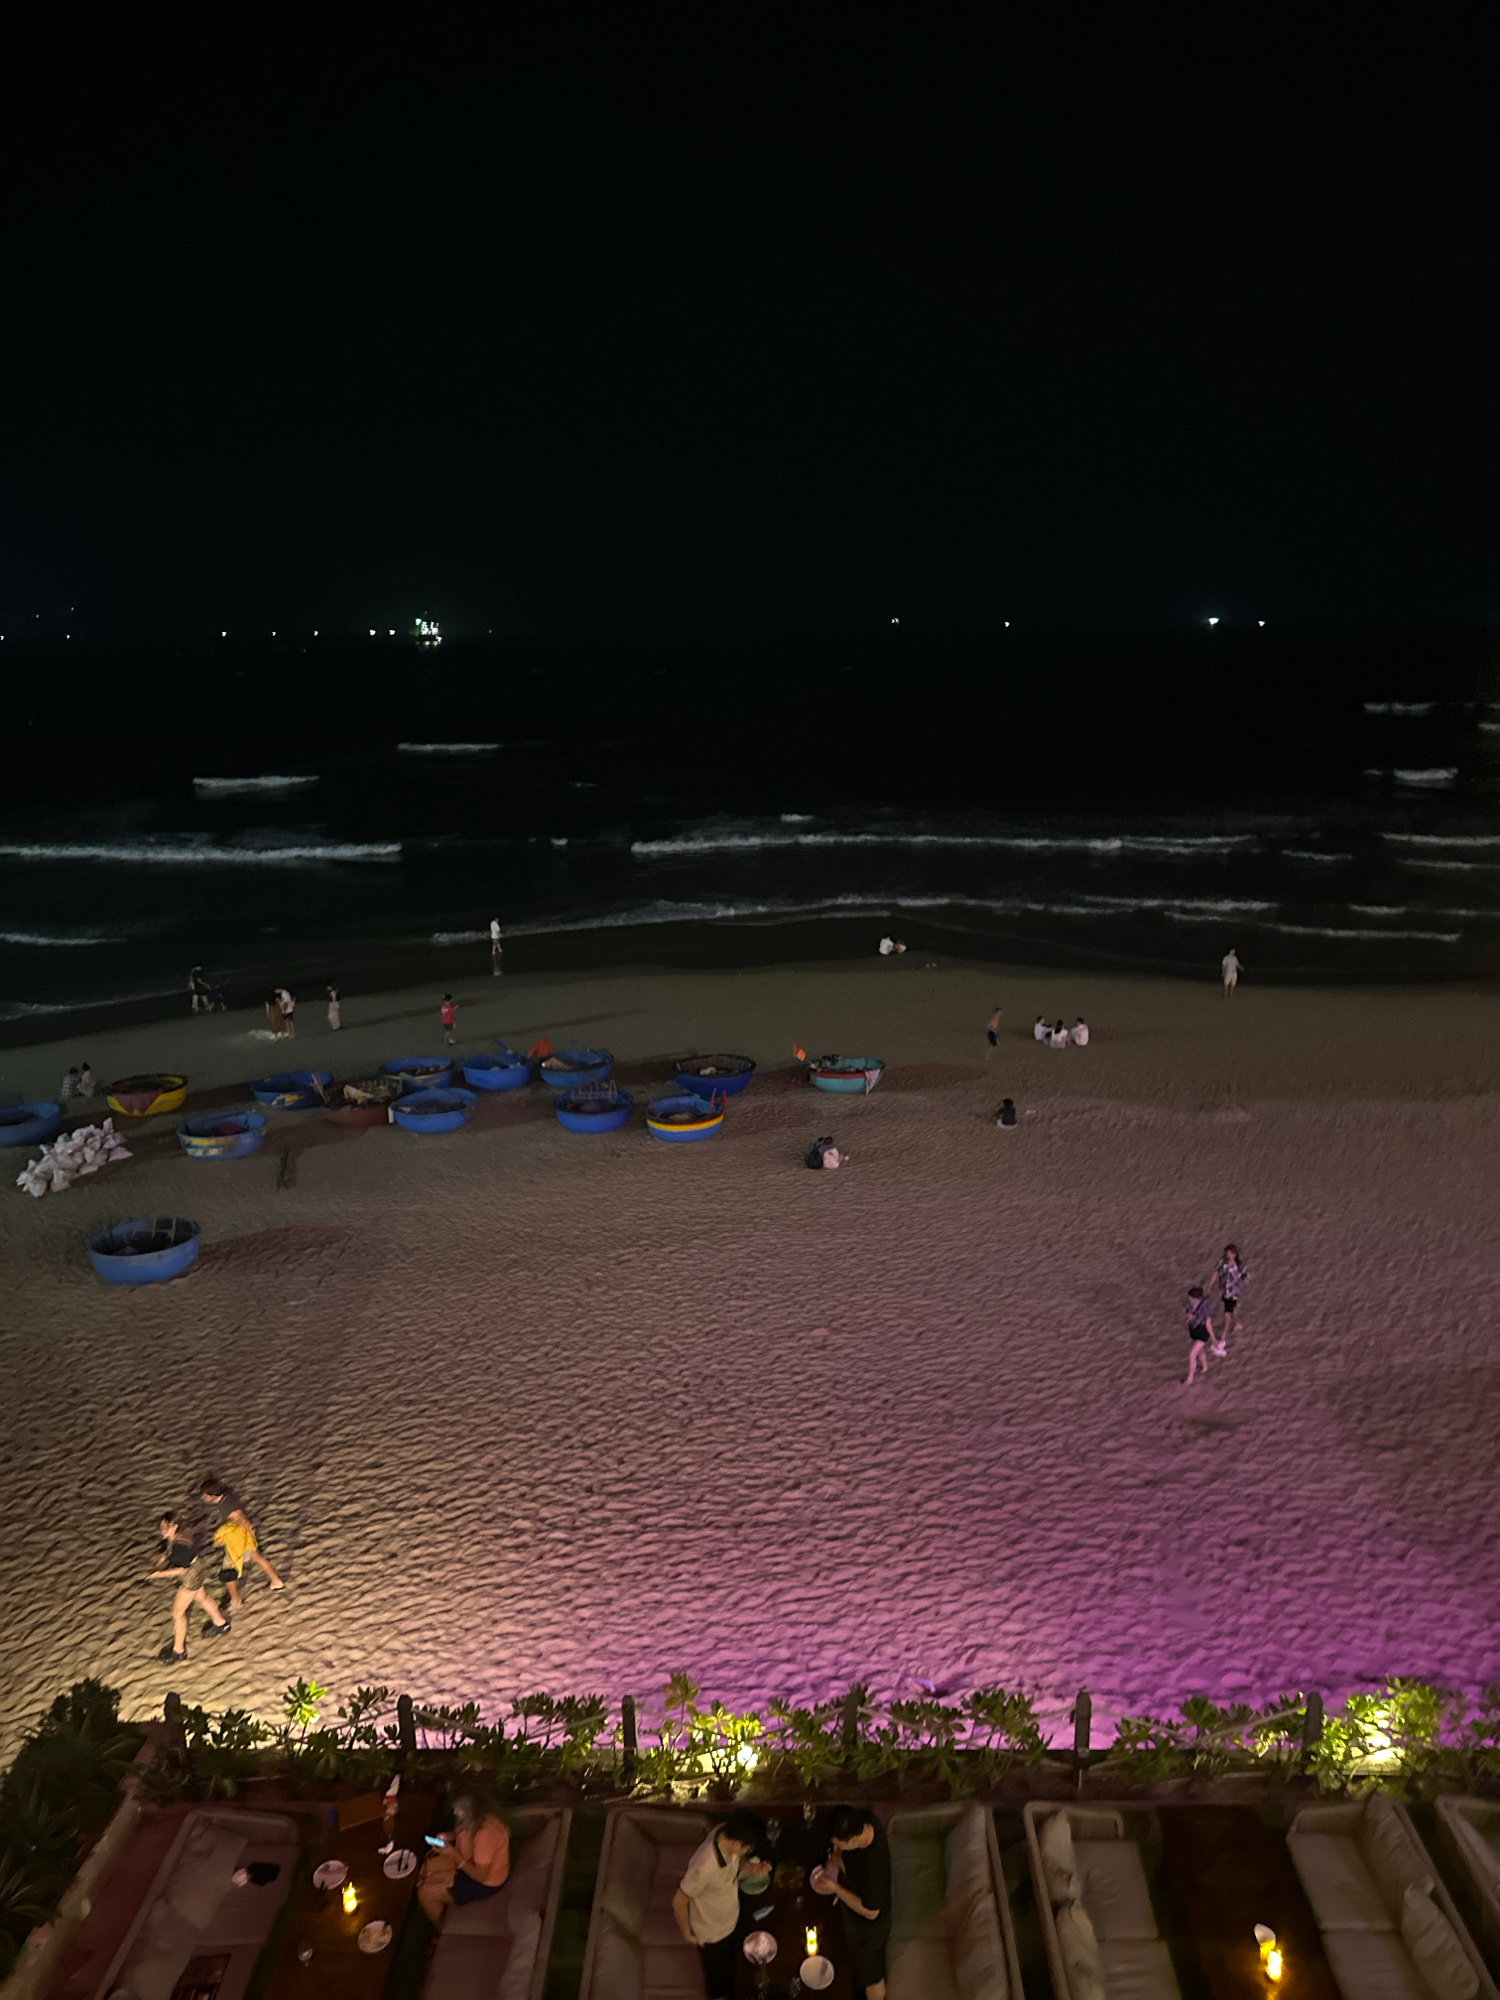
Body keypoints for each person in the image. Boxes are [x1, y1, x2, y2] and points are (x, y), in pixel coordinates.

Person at [672, 1810, 768, 2000]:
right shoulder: (704, 1867)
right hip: (712, 1932)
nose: (747, 1853)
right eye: (747, 1849)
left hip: (730, 1916)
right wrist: (687, 1934)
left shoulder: (724, 1831)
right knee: (718, 1981)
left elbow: (736, 1860)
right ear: (737, 1844)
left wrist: (751, 1867)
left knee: (736, 1964)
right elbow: (679, 1900)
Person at [820, 1805, 892, 2000]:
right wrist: (836, 1856)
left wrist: (835, 1888)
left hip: (870, 1925)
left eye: (840, 1845)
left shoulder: (873, 1871)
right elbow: (840, 1849)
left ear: (852, 1840)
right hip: (855, 1900)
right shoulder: (864, 1819)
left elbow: (871, 1912)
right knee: (854, 1961)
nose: (837, 1848)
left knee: (871, 1975)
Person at [417, 1789, 512, 1926]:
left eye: (458, 1808)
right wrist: (448, 1836)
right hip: (471, 1863)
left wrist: (454, 1855)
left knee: (425, 1894)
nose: (455, 1812)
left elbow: (481, 1877)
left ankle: (442, 1928)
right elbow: (465, 1834)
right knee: (430, 1867)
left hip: (484, 1883)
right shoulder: (478, 1818)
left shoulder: (486, 1835)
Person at [142, 1514, 230, 1661]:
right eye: (162, 1527)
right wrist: (157, 1565)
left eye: (167, 1527)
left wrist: (158, 1574)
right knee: (202, 1597)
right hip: (199, 1567)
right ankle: (222, 1624)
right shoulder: (181, 1535)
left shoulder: (180, 1547)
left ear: (175, 1526)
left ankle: (179, 1651)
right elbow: (168, 1553)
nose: (163, 1530)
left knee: (177, 1614)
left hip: (190, 1577)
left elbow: (181, 1570)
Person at [197, 1476, 285, 1610]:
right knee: (257, 1557)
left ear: (213, 1495)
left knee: (228, 1570)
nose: (203, 1497)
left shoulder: (226, 1505)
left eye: (205, 1495)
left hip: (238, 1540)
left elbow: (241, 1519)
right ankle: (276, 1581)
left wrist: (250, 1535)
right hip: (241, 1537)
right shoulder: (227, 1498)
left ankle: (235, 1599)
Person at [1212, 1243, 1249, 1336]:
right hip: (1226, 1291)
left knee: (1227, 1313)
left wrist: (1242, 1285)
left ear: (1234, 1254)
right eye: (1226, 1253)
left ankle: (1224, 1335)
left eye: (1229, 1253)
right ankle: (1238, 1323)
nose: (1227, 1255)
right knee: (1233, 1308)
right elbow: (1217, 1273)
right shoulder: (1224, 1264)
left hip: (1232, 1292)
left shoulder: (1237, 1266)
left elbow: (1244, 1276)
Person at [1183, 1285, 1215, 1385]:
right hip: (1193, 1329)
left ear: (1197, 1298)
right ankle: (1205, 1367)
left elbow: (1208, 1323)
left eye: (1191, 1298)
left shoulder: (1205, 1306)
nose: (1190, 1299)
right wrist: (1189, 1316)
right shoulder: (1189, 1303)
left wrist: (1214, 1339)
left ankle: (1190, 1378)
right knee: (1200, 1351)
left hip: (1202, 1332)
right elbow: (1187, 1312)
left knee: (1192, 1355)